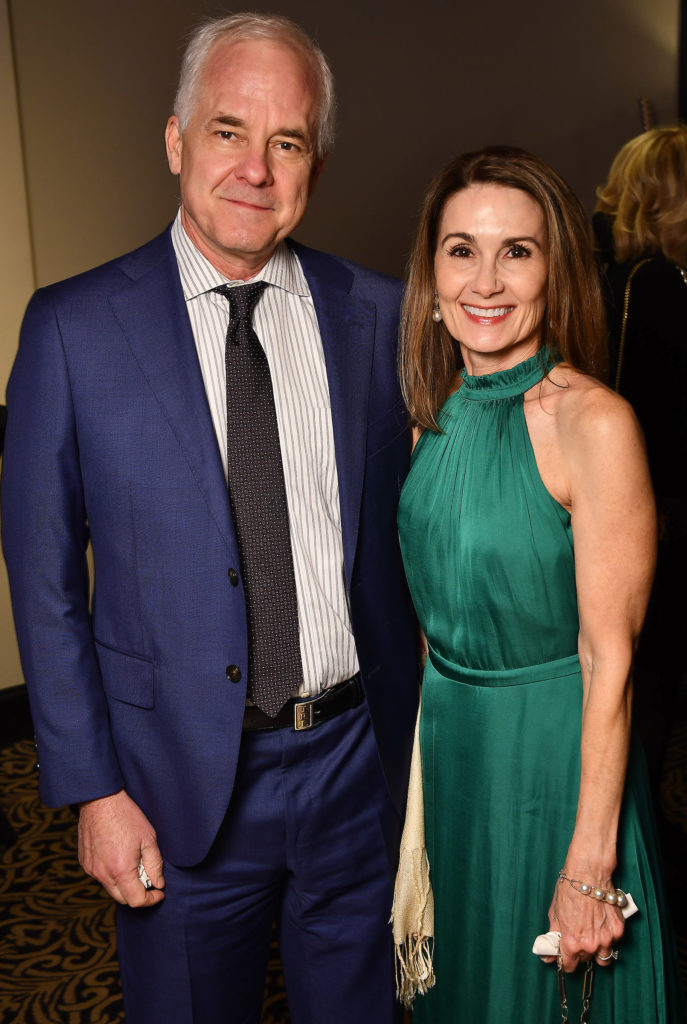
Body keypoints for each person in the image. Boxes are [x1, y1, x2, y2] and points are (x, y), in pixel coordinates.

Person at [1, 13, 419, 1024]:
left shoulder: (378, 315)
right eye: (230, 130)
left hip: (355, 768)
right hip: (172, 786)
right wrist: (93, 791)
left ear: (313, 161)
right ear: (177, 139)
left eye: (287, 141)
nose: (256, 168)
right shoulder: (71, 328)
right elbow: (46, 581)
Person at [396, 147, 685, 1022]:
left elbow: (610, 660)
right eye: (462, 250)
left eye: (517, 251)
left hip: (553, 761)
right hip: (453, 754)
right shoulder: (433, 414)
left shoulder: (592, 421)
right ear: (432, 273)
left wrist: (589, 867)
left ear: (555, 267)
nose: (486, 279)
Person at [594, 126, 687, 796]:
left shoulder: (615, 273)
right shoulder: (656, 282)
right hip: (663, 512)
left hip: (647, 506)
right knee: (648, 687)